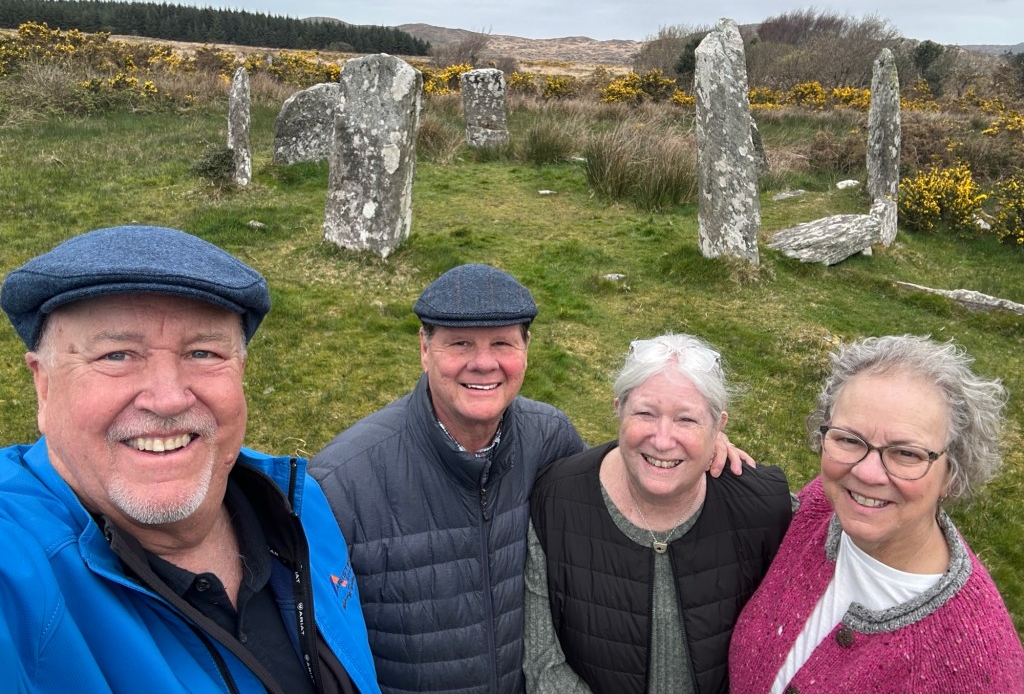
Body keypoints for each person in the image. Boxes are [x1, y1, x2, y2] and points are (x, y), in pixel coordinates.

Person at [309, 265, 751, 694]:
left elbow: (615, 485)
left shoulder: (550, 437)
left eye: (502, 343)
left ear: (526, 349)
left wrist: (697, 441)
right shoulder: (341, 483)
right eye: (460, 344)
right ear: (425, 349)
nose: (484, 363)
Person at [0, 225, 381, 694]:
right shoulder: (16, 560)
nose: (168, 399)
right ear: (43, 385)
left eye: (203, 352)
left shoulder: (298, 504)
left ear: (240, 371)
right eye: (116, 355)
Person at [728, 334, 1024, 693]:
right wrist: (697, 458)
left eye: (906, 453)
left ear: (952, 474)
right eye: (848, 440)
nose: (867, 474)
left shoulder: (979, 668)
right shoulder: (819, 505)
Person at [525, 333, 793, 694]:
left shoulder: (767, 507)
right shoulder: (555, 499)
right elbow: (543, 663)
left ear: (718, 426)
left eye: (687, 420)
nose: (663, 440)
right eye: (645, 413)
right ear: (618, 409)